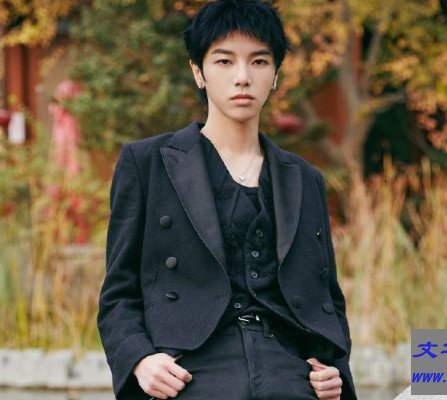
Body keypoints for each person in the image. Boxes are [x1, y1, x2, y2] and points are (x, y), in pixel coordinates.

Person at [97, 1, 358, 399]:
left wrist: (335, 370)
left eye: (259, 62)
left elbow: (326, 299)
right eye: (224, 61)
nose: (242, 77)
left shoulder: (304, 178)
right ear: (198, 72)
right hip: (189, 373)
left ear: (275, 75)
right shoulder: (147, 162)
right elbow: (119, 291)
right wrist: (140, 359)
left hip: (290, 373)